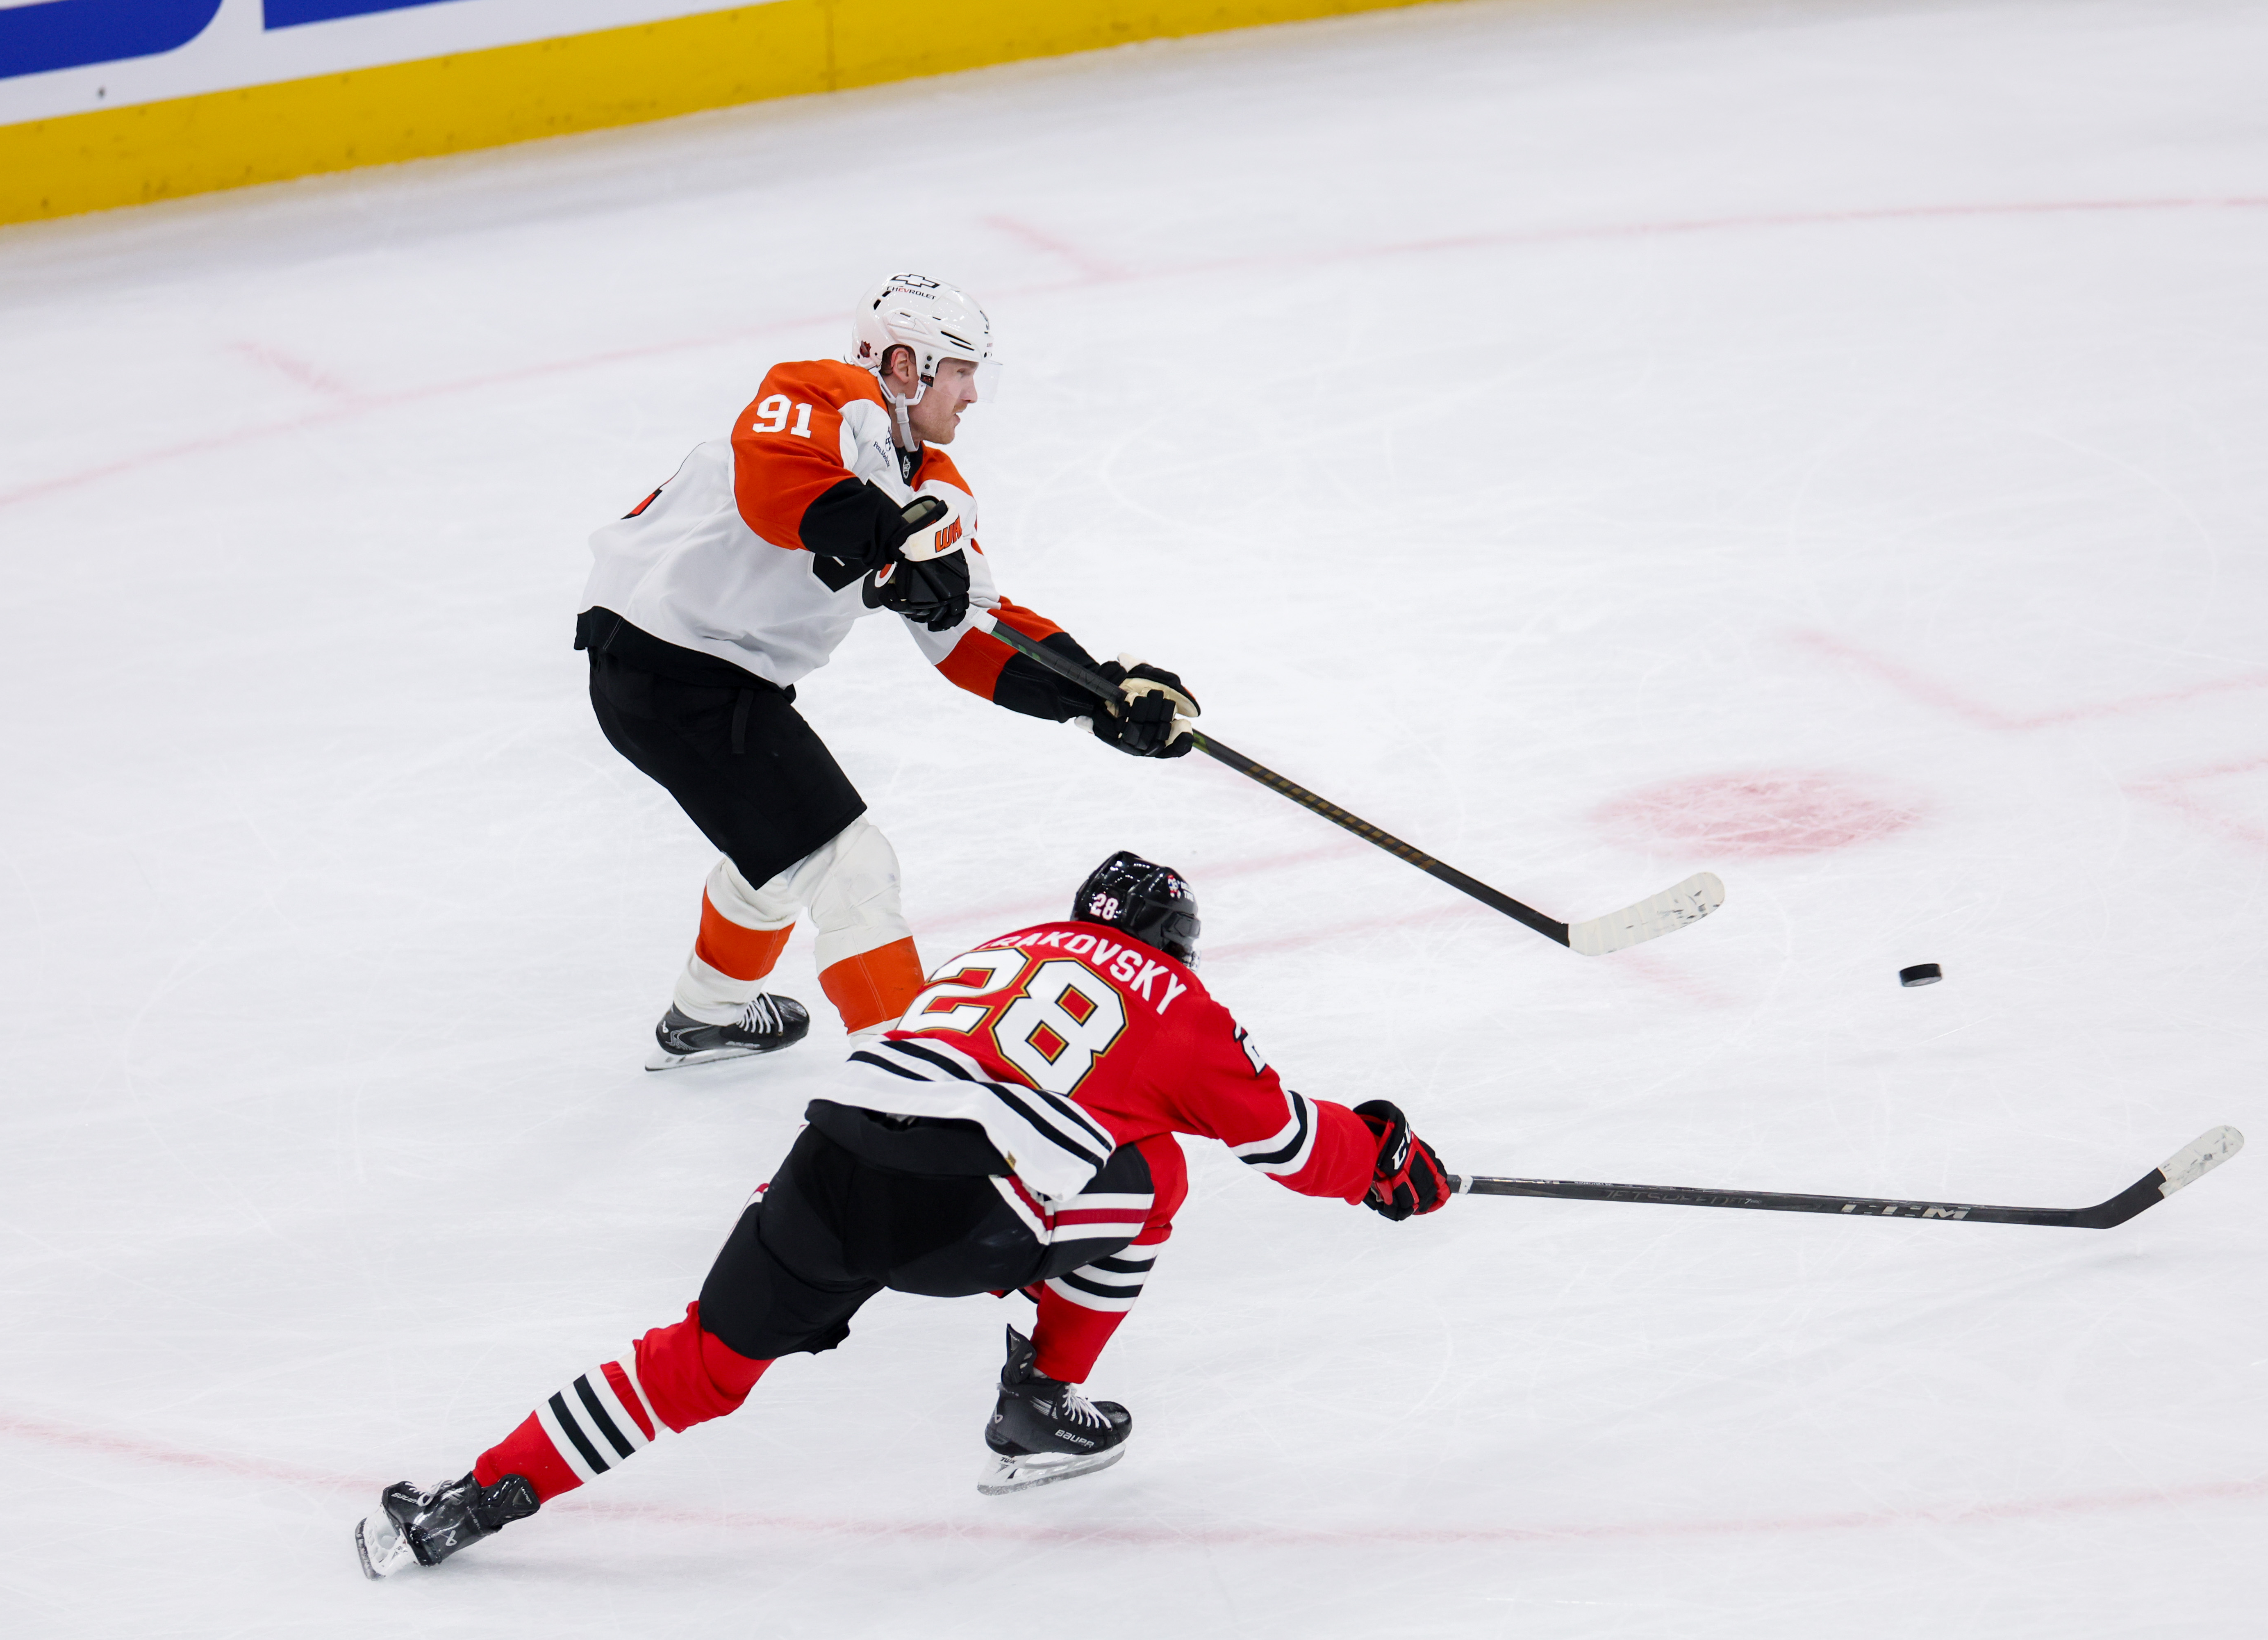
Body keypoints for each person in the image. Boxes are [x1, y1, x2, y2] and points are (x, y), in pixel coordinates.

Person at [355, 852, 1454, 1578]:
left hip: (823, 1165)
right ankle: (1038, 1407)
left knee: (698, 1362)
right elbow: (1294, 1147)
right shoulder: (1175, 1001)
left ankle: (474, 1499)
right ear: (1177, 939)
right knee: (1155, 1174)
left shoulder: (1002, 951)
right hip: (959, 1219)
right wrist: (1390, 1163)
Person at [579, 273, 1203, 1069]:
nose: (974, 394)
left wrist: (1100, 694)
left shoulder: (934, 488)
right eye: (962, 370)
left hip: (707, 676)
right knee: (851, 866)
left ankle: (707, 1013)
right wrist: (888, 539)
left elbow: (971, 633)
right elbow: (775, 483)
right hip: (666, 661)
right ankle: (910, 1090)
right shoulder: (822, 397)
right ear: (905, 365)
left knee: (777, 846)